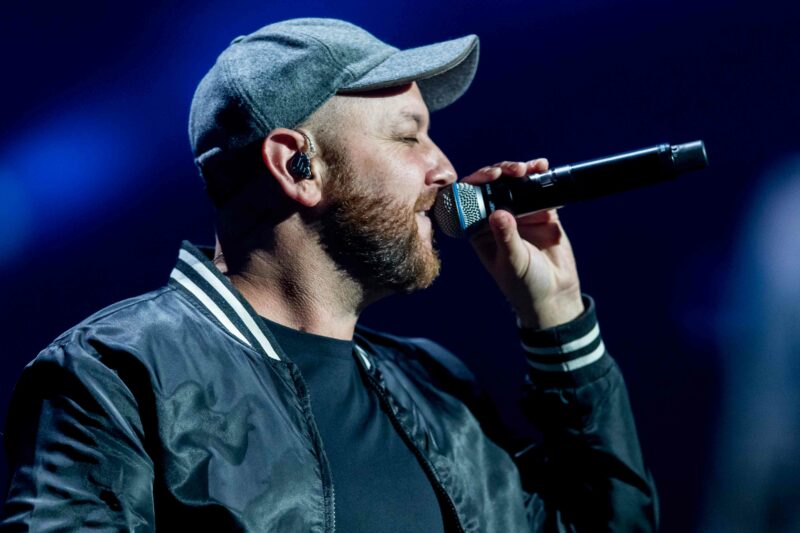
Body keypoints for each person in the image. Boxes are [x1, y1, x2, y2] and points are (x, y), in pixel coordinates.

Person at [1, 18, 657, 531]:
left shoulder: (437, 389)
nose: (444, 169)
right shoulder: (116, 376)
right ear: (298, 165)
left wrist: (557, 317)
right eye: (409, 136)